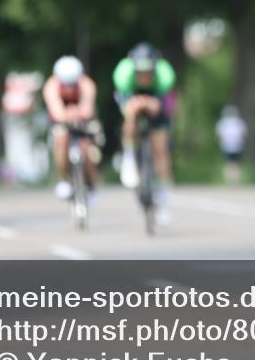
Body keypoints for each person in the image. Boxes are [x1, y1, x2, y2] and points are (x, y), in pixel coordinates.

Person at [113, 43, 176, 225]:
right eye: (141, 71)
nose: (145, 75)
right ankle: (129, 156)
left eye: (149, 71)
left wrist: (152, 105)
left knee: (161, 149)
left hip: (157, 96)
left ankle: (163, 200)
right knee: (131, 113)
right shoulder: (123, 74)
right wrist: (136, 104)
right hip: (131, 95)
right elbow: (125, 103)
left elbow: (162, 105)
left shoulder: (165, 76)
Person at [42, 55, 99, 202]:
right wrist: (69, 114)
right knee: (61, 140)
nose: (69, 88)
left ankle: (90, 185)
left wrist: (78, 113)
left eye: (72, 84)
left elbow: (88, 110)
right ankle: (64, 180)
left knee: (87, 149)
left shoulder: (87, 84)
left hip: (82, 120)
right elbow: (56, 112)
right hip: (62, 120)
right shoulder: (51, 86)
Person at [216, 105, 248, 184]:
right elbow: (243, 135)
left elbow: (220, 136)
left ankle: (230, 180)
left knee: (229, 163)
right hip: (237, 146)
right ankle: (235, 180)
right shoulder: (239, 122)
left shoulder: (223, 123)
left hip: (228, 146)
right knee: (236, 164)